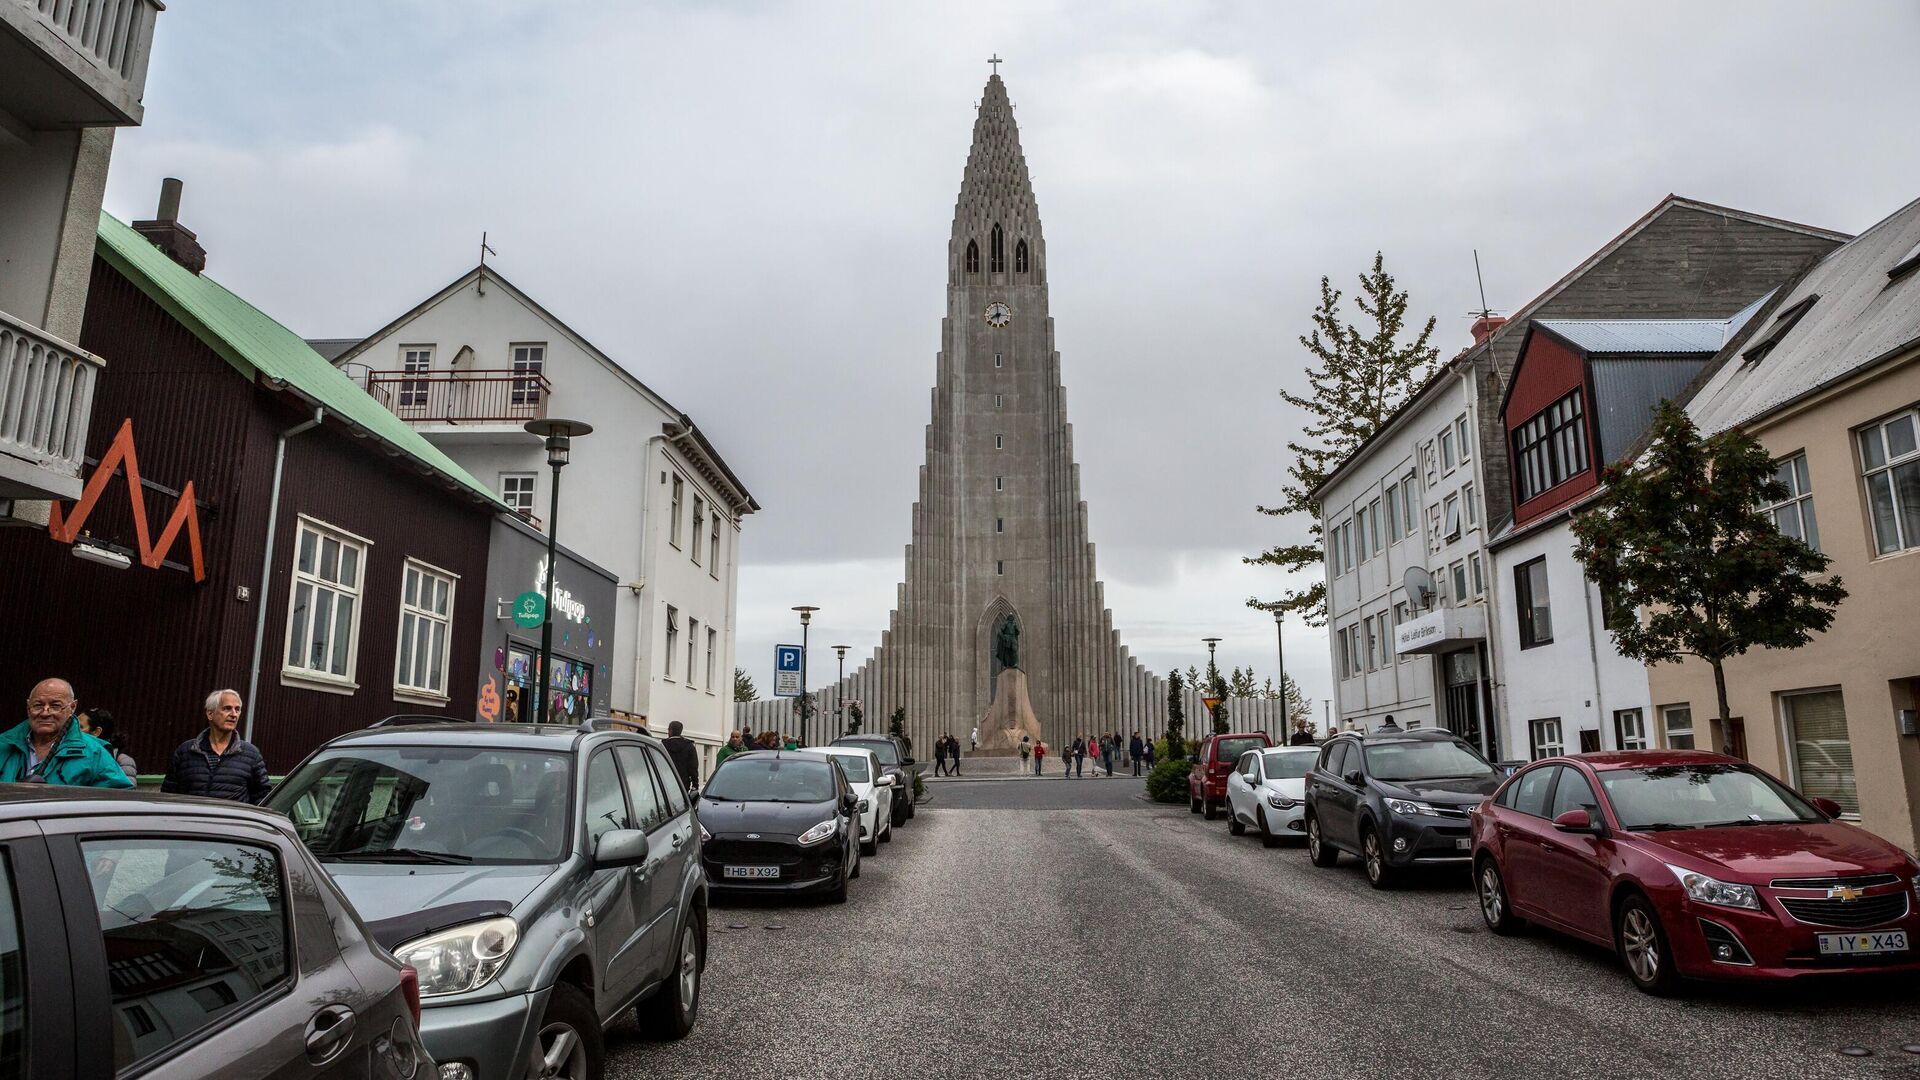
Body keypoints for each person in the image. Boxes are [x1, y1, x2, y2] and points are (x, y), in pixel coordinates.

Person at [0, 678, 133, 788]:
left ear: (72, 707)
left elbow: (119, 799)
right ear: (28, 707)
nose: (45, 712)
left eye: (55, 706)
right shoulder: (3, 745)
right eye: (38, 705)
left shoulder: (94, 753)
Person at [162, 689, 270, 804]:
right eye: (227, 708)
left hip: (232, 821)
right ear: (210, 714)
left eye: (237, 709)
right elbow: (168, 796)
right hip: (192, 820)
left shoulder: (251, 754)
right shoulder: (185, 752)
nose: (234, 714)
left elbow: (263, 798)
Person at [78, 707, 138, 778]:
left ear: (96, 732)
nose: (74, 730)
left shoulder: (123, 761)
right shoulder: (73, 752)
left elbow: (125, 788)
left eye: (80, 727)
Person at [661, 720, 700, 790]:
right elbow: (693, 767)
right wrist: (695, 785)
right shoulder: (689, 746)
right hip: (683, 785)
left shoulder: (662, 745)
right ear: (680, 731)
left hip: (665, 784)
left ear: (670, 730)